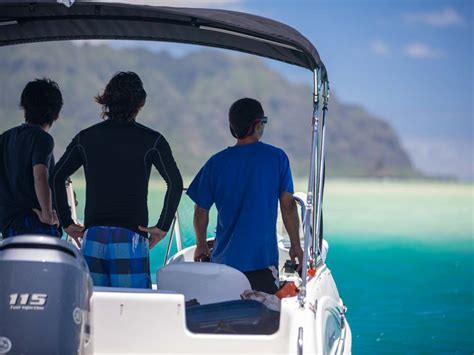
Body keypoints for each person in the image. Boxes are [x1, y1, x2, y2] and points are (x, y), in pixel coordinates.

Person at [51, 72, 183, 288]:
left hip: (93, 236)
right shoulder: (152, 140)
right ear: (140, 103)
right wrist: (162, 226)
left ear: (107, 101)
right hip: (131, 237)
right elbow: (175, 184)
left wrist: (67, 222)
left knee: (92, 309)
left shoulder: (85, 137)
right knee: (133, 309)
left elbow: (56, 176)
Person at [187, 98, 303, 294]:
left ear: (233, 126)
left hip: (224, 266)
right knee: (265, 313)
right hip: (262, 263)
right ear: (258, 124)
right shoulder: (277, 158)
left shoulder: (216, 163)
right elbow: (288, 206)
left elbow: (201, 210)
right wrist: (295, 246)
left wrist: (201, 246)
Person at [0, 78, 62, 238]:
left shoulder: (5, 138)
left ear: (25, 107)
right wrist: (47, 215)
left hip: (8, 226)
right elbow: (40, 175)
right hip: (35, 223)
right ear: (56, 114)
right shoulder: (43, 139)